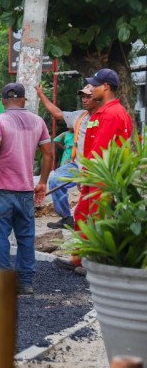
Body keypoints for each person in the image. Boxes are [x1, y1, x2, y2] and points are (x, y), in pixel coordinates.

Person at [0, 82, 53, 295]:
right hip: (25, 190)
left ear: (4, 101)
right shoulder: (37, 121)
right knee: (25, 238)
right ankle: (26, 282)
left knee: (0, 238)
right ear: (24, 99)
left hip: (2, 190)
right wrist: (42, 182)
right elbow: (49, 154)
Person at [56, 68, 134, 274]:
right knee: (83, 212)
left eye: (95, 86)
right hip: (97, 174)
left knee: (97, 217)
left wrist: (87, 173)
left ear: (106, 87)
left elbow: (100, 149)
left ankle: (94, 264)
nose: (91, 90)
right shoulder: (106, 112)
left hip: (102, 175)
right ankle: (80, 259)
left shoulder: (110, 114)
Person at [35, 83, 94, 229]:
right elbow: (57, 113)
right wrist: (41, 95)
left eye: (89, 97)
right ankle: (66, 218)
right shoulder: (80, 115)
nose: (84, 100)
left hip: (96, 166)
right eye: (83, 97)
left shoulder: (105, 115)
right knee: (55, 179)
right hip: (77, 164)